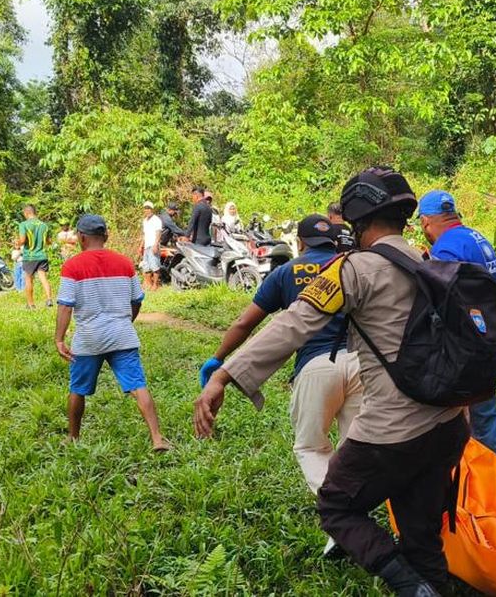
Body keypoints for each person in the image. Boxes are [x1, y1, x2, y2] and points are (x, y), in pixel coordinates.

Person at [194, 167, 468, 596]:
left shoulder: (353, 269)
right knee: (421, 535)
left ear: (357, 221)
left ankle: (408, 584)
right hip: (448, 423)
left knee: (337, 506)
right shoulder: (429, 262)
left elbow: (291, 326)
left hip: (393, 430)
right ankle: (430, 584)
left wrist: (225, 374)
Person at [199, 213, 362, 554]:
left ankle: (345, 522)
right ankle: (356, 518)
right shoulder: (351, 266)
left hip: (316, 366)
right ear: (334, 241)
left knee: (311, 447)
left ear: (300, 244)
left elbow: (246, 323)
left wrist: (219, 359)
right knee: (355, 449)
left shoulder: (287, 272)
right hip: (363, 364)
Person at [417, 190, 496, 468]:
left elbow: (444, 308)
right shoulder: (475, 237)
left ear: (426, 222)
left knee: (480, 423)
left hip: (477, 347)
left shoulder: (445, 249)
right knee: (483, 419)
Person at [55, 215, 171, 451]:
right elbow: (137, 300)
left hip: (88, 339)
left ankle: (73, 437)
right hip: (122, 335)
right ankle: (157, 438)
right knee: (138, 385)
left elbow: (66, 305)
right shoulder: (125, 263)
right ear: (106, 236)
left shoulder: (72, 266)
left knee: (77, 389)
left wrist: (59, 338)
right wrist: (126, 321)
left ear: (81, 237)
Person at [18, 204, 53, 308]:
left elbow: (23, 240)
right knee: (43, 278)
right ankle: (49, 299)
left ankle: (31, 304)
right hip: (42, 255)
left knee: (28, 279)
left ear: (26, 213)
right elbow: (48, 241)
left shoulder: (24, 224)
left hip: (30, 256)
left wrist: (17, 243)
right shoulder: (44, 225)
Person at [139, 202, 163, 291]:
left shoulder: (156, 220)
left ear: (152, 210)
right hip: (146, 246)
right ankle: (148, 284)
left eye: (148, 208)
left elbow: (158, 233)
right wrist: (141, 245)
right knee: (146, 266)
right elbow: (145, 234)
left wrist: (156, 244)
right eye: (145, 208)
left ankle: (155, 285)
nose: (147, 210)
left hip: (153, 245)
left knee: (155, 266)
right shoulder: (145, 220)